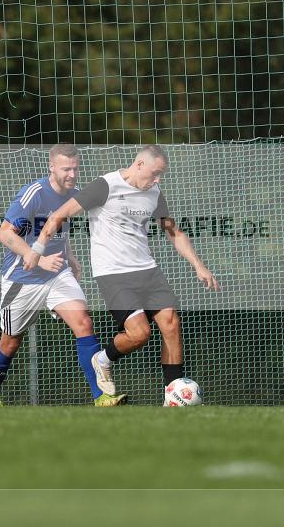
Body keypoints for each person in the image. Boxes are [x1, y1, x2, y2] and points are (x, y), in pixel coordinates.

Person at [24, 144, 219, 397]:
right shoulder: (105, 186)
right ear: (139, 165)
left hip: (147, 270)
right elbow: (59, 216)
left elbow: (173, 231)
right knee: (140, 334)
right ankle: (103, 360)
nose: (158, 179)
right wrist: (37, 249)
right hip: (113, 274)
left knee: (171, 325)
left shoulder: (155, 192)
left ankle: (173, 396)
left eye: (161, 175)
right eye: (155, 173)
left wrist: (199, 265)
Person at [0, 143, 126, 407]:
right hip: (22, 279)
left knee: (83, 322)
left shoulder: (75, 194)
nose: (71, 174)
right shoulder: (34, 193)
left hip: (57, 274)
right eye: (65, 169)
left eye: (75, 168)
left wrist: (68, 256)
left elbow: (60, 225)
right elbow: (4, 233)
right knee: (10, 342)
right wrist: (35, 257)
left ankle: (102, 397)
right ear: (51, 167)